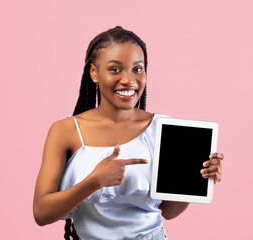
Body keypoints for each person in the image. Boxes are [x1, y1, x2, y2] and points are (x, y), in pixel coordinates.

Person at [32, 26, 224, 240]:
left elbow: (169, 211)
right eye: (115, 69)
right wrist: (94, 181)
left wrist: (195, 181)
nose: (129, 80)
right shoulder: (65, 131)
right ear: (94, 73)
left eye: (137, 69)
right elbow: (41, 213)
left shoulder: (164, 129)